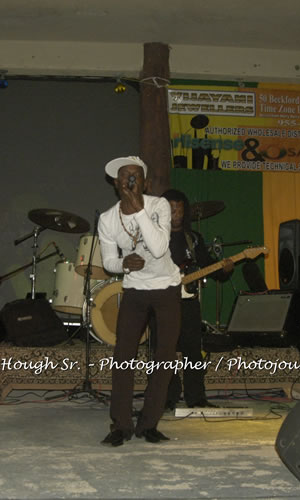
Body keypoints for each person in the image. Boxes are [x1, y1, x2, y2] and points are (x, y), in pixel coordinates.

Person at [97, 156, 181, 446]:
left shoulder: (158, 206)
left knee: (164, 357)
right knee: (123, 356)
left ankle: (149, 424)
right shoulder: (107, 219)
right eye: (124, 176)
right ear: (116, 183)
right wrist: (124, 264)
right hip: (135, 289)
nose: (129, 180)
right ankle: (121, 425)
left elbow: (158, 248)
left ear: (144, 182)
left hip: (166, 287)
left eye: (135, 175)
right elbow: (109, 261)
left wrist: (139, 211)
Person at [160, 189, 234, 410]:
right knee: (164, 351)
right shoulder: (155, 236)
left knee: (193, 351)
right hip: (161, 302)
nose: (177, 214)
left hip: (188, 302)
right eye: (172, 209)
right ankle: (166, 397)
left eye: (180, 209)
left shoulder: (193, 239)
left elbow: (208, 265)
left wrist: (225, 269)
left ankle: (196, 398)